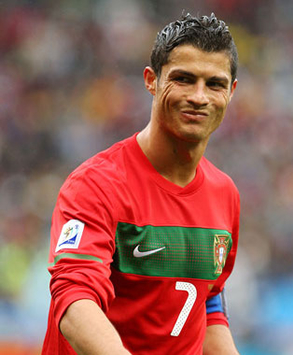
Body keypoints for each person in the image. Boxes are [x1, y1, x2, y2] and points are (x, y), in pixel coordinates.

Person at [42, 13, 240, 355]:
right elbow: (75, 300)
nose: (199, 96)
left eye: (214, 84)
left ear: (231, 92)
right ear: (152, 80)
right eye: (183, 79)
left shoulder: (225, 194)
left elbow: (207, 307)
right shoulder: (96, 184)